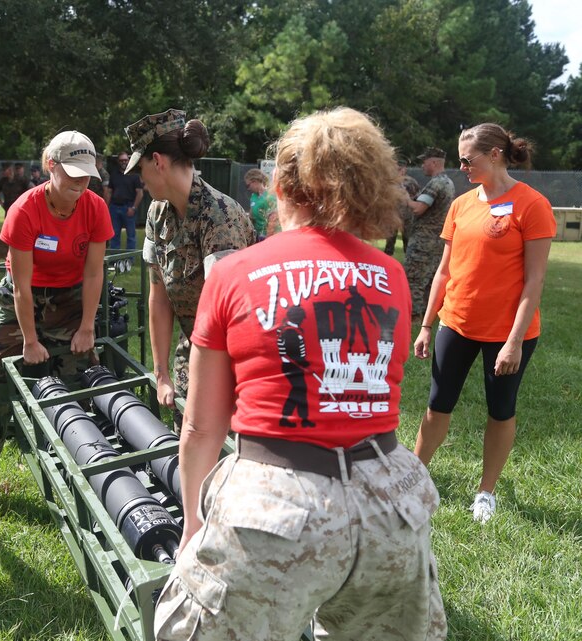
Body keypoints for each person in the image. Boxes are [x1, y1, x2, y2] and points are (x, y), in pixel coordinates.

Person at [153, 107, 445, 641]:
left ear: (283, 185)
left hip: (277, 510)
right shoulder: (393, 276)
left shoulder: (236, 271)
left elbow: (200, 428)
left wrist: (195, 521)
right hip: (392, 504)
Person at [0, 131, 113, 513]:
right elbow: (21, 285)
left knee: (77, 383)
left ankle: (87, 477)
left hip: (71, 298)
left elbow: (93, 274)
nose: (80, 182)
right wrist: (30, 339)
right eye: (72, 173)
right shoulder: (25, 209)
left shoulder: (95, 207)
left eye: (87, 174)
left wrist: (87, 326)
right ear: (50, 167)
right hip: (21, 299)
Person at [413, 124, 555, 524]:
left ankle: (486, 492)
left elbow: (534, 280)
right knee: (438, 404)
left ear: (495, 155)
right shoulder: (460, 205)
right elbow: (443, 271)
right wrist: (426, 326)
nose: (462, 168)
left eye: (467, 160)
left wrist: (513, 342)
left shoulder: (532, 204)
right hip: (455, 323)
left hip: (508, 333)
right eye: (459, 160)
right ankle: (413, 477)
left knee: (500, 409)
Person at [124, 108, 254, 429]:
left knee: (221, 452)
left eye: (141, 169)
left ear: (158, 161)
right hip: (194, 349)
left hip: (235, 360)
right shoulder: (157, 213)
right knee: (187, 445)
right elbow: (159, 296)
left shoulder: (219, 217)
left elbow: (231, 317)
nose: (141, 179)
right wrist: (162, 373)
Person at [405, 147, 455, 321]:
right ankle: (429, 315)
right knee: (430, 279)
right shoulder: (448, 182)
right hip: (437, 241)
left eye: (424, 161)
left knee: (414, 278)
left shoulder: (435, 183)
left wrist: (404, 197)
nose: (422, 165)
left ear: (433, 162)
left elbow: (418, 209)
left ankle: (414, 317)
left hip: (423, 242)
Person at [107, 150, 144, 251]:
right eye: (121, 160)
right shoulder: (114, 174)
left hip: (128, 207)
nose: (124, 162)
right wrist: (107, 207)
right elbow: (109, 191)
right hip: (114, 207)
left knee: (131, 236)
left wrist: (133, 208)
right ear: (118, 161)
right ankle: (114, 260)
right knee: (114, 235)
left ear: (129, 160)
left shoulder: (134, 175)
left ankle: (129, 261)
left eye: (125, 160)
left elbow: (140, 193)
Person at [384, 158, 420, 255]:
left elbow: (417, 198)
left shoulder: (411, 182)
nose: (398, 171)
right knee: (390, 242)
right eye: (396, 169)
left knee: (407, 241)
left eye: (400, 169)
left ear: (404, 169)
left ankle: (408, 264)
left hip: (407, 217)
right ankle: (387, 264)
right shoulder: (389, 182)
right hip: (393, 216)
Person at [243, 168, 275, 239]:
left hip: (268, 236)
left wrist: (268, 239)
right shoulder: (253, 196)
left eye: (248, 185)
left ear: (255, 181)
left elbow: (273, 221)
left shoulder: (270, 196)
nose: (248, 188)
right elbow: (251, 216)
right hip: (256, 235)